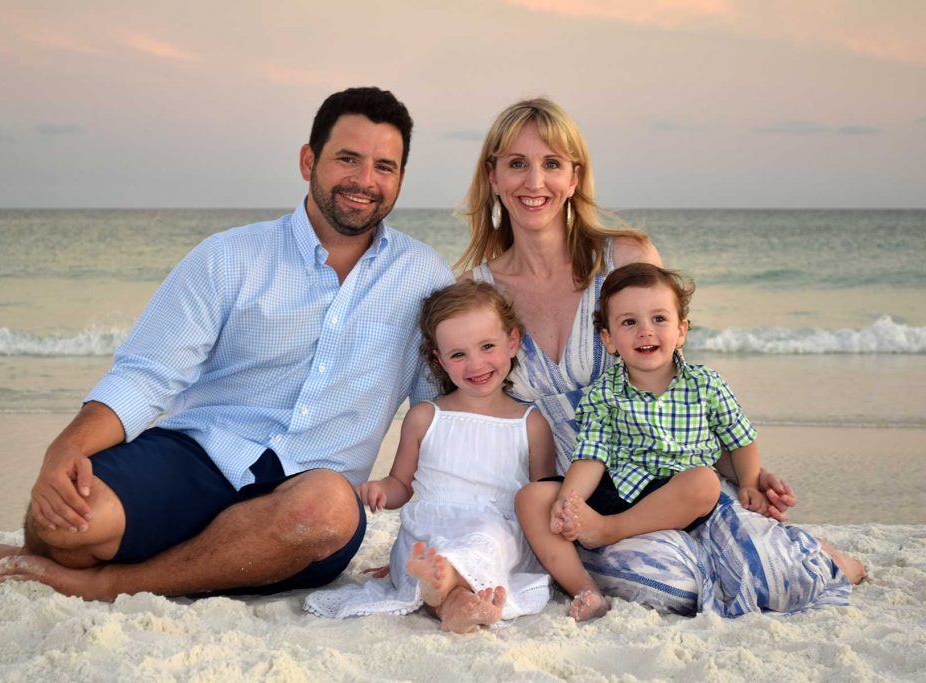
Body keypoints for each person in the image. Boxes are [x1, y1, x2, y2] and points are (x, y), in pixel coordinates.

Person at [0, 86, 455, 600]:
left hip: (308, 502)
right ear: (307, 160)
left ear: (401, 178)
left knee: (330, 511)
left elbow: (441, 416)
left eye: (384, 167)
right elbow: (147, 374)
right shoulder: (229, 257)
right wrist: (66, 448)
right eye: (348, 159)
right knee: (64, 524)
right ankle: (87, 560)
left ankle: (108, 585)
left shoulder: (424, 279)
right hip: (199, 456)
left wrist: (431, 543)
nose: (365, 180)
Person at [459, 97, 860, 618]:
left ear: (575, 177)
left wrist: (744, 472)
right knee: (669, 585)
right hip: (578, 504)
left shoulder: (626, 259)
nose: (534, 181)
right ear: (492, 176)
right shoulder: (478, 293)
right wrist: (448, 541)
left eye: (552, 164)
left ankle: (815, 558)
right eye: (517, 163)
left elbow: (676, 386)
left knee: (760, 564)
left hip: (670, 476)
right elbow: (465, 419)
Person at [535, 263, 866, 619]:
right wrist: (572, 500)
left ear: (682, 331)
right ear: (609, 340)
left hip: (689, 493)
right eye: (629, 323)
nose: (645, 331)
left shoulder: (705, 384)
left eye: (659, 319)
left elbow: (739, 437)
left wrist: (751, 481)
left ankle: (608, 531)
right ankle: (592, 573)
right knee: (531, 496)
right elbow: (591, 456)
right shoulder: (604, 394)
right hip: (631, 495)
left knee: (703, 480)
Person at [304, 280, 555, 632]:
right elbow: (400, 485)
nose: (476, 363)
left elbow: (542, 495)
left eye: (487, 346)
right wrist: (380, 491)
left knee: (483, 540)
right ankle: (454, 603)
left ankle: (442, 589)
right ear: (439, 359)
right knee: (425, 548)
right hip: (431, 523)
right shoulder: (425, 416)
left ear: (512, 342)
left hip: (494, 525)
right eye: (458, 354)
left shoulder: (529, 423)